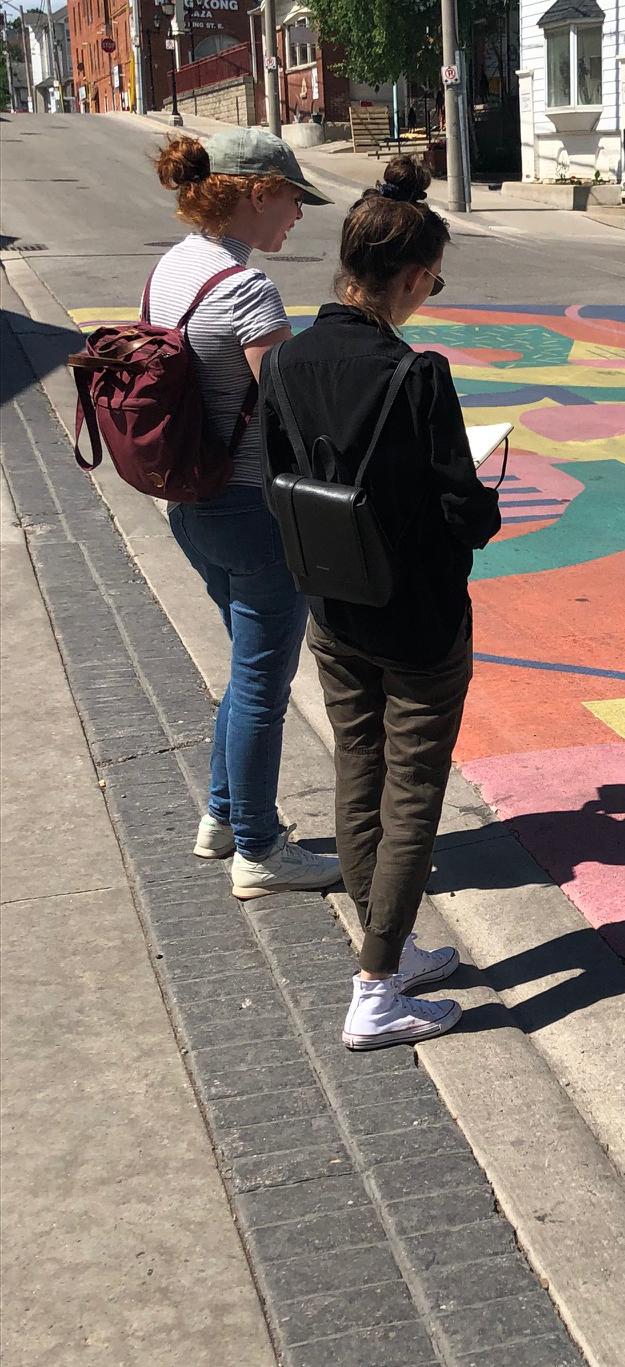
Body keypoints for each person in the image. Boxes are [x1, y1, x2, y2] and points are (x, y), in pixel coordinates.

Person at [259, 156, 501, 1050]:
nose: (432, 293)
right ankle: (376, 988)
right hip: (419, 619)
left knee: (358, 776)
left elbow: (271, 477)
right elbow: (463, 512)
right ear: (407, 278)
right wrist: (488, 499)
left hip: (334, 605)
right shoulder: (418, 375)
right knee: (413, 795)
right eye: (433, 279)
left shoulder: (283, 363)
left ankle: (384, 949)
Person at [153, 128, 342, 900]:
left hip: (191, 502)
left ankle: (223, 816)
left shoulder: (173, 267)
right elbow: (293, 408)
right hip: (249, 508)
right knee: (265, 681)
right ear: (258, 191)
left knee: (247, 665)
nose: (297, 217)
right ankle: (260, 852)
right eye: (294, 200)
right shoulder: (245, 288)